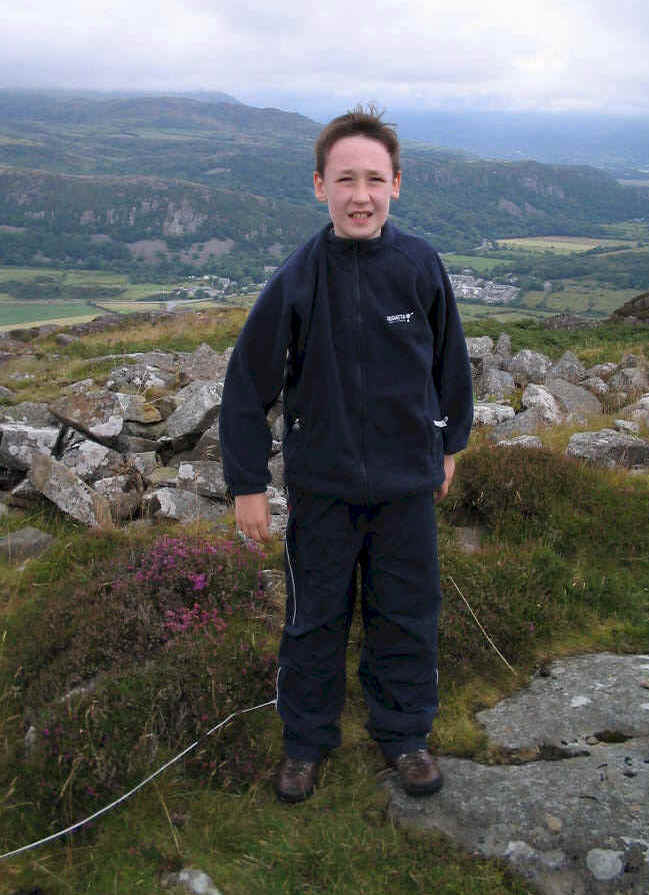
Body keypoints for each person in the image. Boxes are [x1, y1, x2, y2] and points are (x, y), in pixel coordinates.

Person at [219, 106, 473, 803]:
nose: (360, 194)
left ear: (397, 184)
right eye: (344, 179)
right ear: (318, 186)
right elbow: (247, 384)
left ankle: (405, 735)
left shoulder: (421, 266)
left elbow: (451, 365)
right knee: (314, 618)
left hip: (405, 490)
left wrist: (451, 444)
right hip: (323, 488)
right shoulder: (299, 278)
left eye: (374, 179)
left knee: (407, 613)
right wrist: (247, 483)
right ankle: (305, 742)